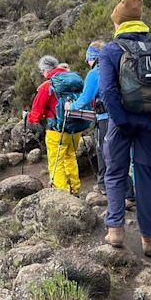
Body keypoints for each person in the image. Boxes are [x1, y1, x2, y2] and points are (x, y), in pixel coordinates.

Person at [99, 0, 151, 257]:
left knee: (115, 173)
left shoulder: (110, 49)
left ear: (118, 23)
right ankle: (150, 238)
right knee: (147, 177)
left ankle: (116, 231)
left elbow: (108, 91)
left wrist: (120, 122)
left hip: (121, 123)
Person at [25, 56, 83, 194]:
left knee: (56, 162)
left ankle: (62, 193)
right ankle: (75, 189)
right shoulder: (74, 81)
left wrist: (28, 117)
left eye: (41, 71)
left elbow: (36, 113)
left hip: (56, 130)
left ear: (45, 70)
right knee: (70, 157)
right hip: (76, 128)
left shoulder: (47, 86)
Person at [67, 41, 107, 193]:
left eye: (88, 58)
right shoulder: (117, 67)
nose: (87, 62)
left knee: (104, 151)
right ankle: (129, 191)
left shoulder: (95, 72)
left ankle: (105, 185)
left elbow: (85, 99)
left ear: (94, 57)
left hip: (105, 118)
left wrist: (71, 106)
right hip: (125, 116)